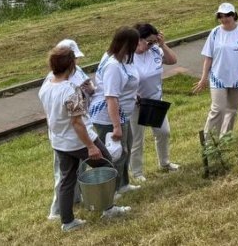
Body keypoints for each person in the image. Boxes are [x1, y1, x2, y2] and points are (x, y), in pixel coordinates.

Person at [39, 44, 129, 232]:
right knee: (108, 166)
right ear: (71, 65)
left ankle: (67, 221)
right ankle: (108, 207)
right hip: (79, 140)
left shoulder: (46, 86)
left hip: (59, 142)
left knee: (67, 180)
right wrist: (91, 146)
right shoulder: (70, 91)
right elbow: (77, 123)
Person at [88, 26, 141, 192]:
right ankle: (112, 189)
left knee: (125, 150)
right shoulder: (113, 66)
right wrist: (116, 126)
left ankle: (123, 183)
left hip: (123, 113)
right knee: (114, 153)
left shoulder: (122, 59)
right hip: (109, 116)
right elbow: (111, 97)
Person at [46, 39, 90, 221]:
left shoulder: (73, 76)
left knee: (74, 173)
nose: (77, 63)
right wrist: (91, 145)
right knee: (64, 176)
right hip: (68, 138)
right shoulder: (59, 86)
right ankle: (57, 211)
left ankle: (75, 202)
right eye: (74, 59)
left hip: (66, 136)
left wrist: (88, 89)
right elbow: (75, 120)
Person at [193, 3, 238, 138]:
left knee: (232, 110)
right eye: (221, 16)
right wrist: (204, 78)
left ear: (234, 15)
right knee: (218, 109)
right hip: (218, 78)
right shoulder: (215, 33)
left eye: (228, 15)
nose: (224, 19)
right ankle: (208, 141)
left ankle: (225, 138)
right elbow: (208, 57)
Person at [127, 24, 179, 182]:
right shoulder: (128, 57)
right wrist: (132, 94)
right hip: (136, 104)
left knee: (163, 133)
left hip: (154, 100)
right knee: (137, 139)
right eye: (148, 42)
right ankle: (137, 172)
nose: (150, 45)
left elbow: (172, 60)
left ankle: (165, 163)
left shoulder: (156, 50)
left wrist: (162, 44)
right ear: (138, 40)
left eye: (153, 42)